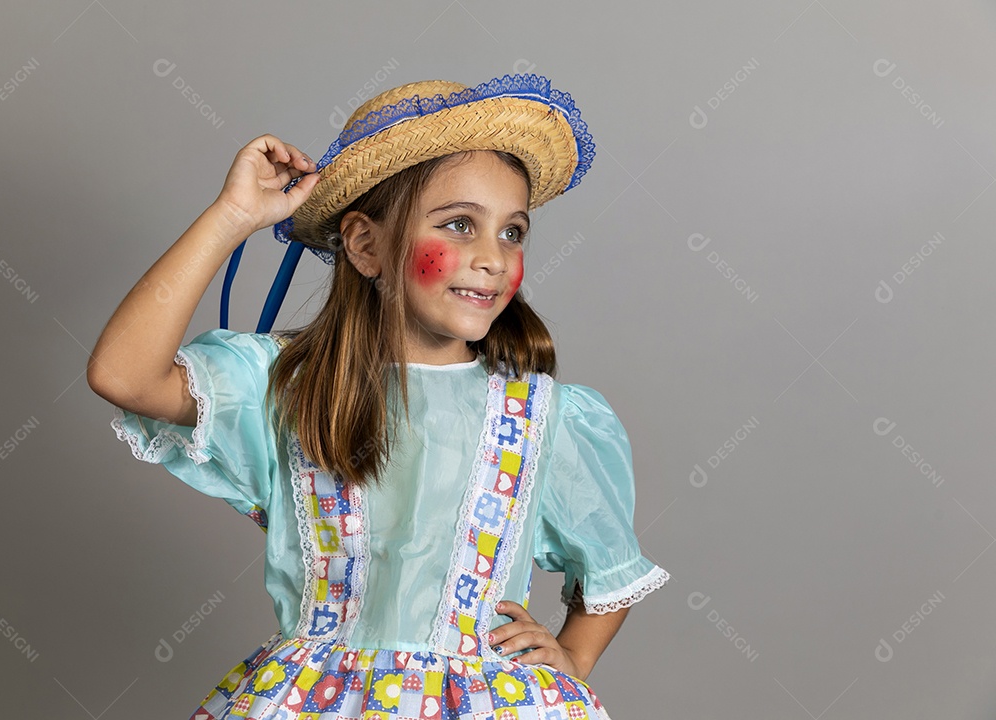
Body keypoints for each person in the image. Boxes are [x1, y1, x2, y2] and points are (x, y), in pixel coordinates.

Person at [88, 72, 669, 720]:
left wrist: (574, 659)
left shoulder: (543, 418)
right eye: (458, 225)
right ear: (365, 244)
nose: (493, 257)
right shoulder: (287, 385)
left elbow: (610, 570)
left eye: (512, 232)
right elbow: (125, 376)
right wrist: (232, 219)